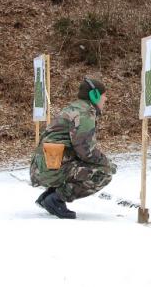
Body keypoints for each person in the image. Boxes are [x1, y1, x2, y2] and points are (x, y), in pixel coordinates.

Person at [30, 78, 117, 219]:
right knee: (104, 172)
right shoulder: (84, 113)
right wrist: (107, 163)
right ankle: (56, 199)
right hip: (50, 168)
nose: (106, 99)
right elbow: (86, 151)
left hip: (44, 167)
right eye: (103, 95)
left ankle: (49, 196)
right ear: (94, 95)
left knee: (86, 165)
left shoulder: (74, 108)